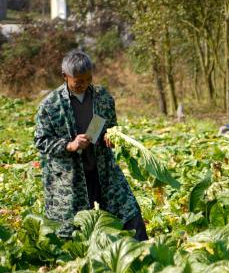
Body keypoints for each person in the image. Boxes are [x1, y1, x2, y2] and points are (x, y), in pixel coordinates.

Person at [34, 50, 147, 239]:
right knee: (72, 231)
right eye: (79, 81)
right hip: (70, 179)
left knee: (129, 213)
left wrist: (111, 136)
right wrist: (69, 145)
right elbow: (41, 141)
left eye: (88, 80)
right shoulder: (50, 105)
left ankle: (143, 252)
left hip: (103, 170)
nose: (84, 85)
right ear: (65, 77)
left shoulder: (102, 98)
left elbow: (111, 126)